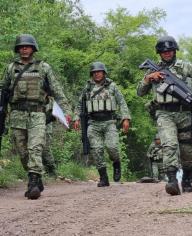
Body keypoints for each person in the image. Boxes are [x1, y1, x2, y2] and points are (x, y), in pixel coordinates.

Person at [0, 34, 72, 199]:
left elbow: (57, 91)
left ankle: (33, 183)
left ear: (33, 48)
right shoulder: (11, 68)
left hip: (38, 114)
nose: (24, 49)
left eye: (27, 46)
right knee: (23, 151)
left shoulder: (44, 67)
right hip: (17, 114)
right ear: (18, 49)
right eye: (21, 47)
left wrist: (68, 112)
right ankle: (37, 176)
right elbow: (3, 90)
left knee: (35, 148)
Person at [137, 35, 192, 195]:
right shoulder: (152, 70)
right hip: (164, 113)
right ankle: (171, 180)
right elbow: (140, 92)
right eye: (164, 51)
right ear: (159, 53)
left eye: (170, 50)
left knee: (187, 152)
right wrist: (148, 79)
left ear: (175, 51)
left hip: (185, 114)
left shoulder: (185, 67)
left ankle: (187, 179)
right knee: (169, 145)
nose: (167, 53)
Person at [74, 62, 131, 187]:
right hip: (93, 123)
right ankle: (103, 177)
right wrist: (76, 118)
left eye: (99, 72)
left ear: (104, 73)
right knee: (97, 150)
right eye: (94, 72)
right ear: (91, 74)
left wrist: (125, 118)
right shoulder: (87, 88)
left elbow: (122, 102)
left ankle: (116, 163)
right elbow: (79, 105)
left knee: (112, 147)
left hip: (109, 122)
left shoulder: (112, 86)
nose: (97, 74)